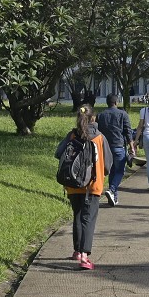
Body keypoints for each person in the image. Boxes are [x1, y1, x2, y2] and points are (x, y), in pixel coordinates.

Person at [55, 105, 110, 270]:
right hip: (92, 186)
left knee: (77, 216)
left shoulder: (72, 135)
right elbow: (107, 164)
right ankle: (85, 256)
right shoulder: (99, 137)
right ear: (93, 118)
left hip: (72, 184)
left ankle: (77, 251)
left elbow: (59, 153)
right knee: (88, 219)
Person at [95, 93, 133, 205]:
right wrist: (132, 146)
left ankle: (113, 198)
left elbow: (97, 132)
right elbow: (128, 131)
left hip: (105, 148)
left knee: (112, 171)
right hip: (118, 146)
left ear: (107, 102)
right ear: (116, 102)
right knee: (120, 170)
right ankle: (112, 190)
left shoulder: (100, 115)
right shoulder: (123, 114)